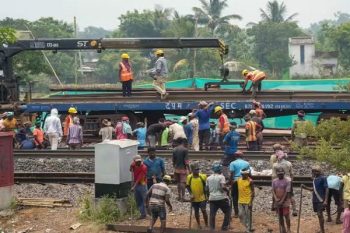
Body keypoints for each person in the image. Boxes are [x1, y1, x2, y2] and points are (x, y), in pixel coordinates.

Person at [301, 165, 329, 233]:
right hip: (315, 199)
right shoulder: (314, 179)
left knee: (320, 214)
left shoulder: (323, 178)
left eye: (317, 171)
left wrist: (326, 200)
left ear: (320, 171)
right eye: (314, 171)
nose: (315, 172)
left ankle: (322, 230)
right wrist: (305, 187)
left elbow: (327, 189)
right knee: (319, 215)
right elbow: (313, 189)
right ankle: (321, 229)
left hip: (321, 199)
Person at [272, 150, 297, 216]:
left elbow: (274, 175)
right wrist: (291, 181)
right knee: (291, 195)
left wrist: (274, 183)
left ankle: (275, 206)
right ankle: (294, 209)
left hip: (278, 181)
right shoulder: (289, 163)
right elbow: (292, 174)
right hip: (288, 180)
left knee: (276, 194)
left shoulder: (275, 165)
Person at [206, 163, 231, 231]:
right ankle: (224, 227)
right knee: (228, 211)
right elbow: (223, 187)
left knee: (212, 214)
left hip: (212, 198)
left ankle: (212, 228)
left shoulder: (208, 178)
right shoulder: (221, 177)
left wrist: (208, 197)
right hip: (221, 198)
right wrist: (228, 190)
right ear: (219, 170)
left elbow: (206, 189)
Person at [186, 163, 208, 229]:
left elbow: (206, 186)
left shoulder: (203, 176)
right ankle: (199, 224)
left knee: (203, 210)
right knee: (196, 211)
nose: (197, 171)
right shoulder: (189, 177)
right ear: (192, 170)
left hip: (202, 197)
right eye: (196, 170)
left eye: (198, 169)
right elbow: (187, 186)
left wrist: (207, 195)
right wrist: (191, 194)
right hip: (194, 198)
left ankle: (206, 224)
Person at [229, 151, 250, 218]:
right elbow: (248, 173)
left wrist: (230, 182)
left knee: (235, 197)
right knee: (244, 196)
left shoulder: (232, 163)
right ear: (242, 156)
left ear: (235, 156)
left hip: (235, 181)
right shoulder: (246, 163)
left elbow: (232, 173)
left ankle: (236, 213)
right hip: (244, 180)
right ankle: (244, 212)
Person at [272, 167, 292, 233]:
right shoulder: (274, 181)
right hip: (277, 201)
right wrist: (276, 199)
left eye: (281, 173)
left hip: (285, 201)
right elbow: (273, 191)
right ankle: (283, 228)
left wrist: (282, 201)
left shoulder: (287, 181)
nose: (280, 175)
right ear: (277, 174)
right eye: (279, 173)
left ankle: (288, 228)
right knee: (280, 216)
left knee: (286, 216)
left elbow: (287, 192)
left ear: (284, 173)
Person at [130, 155, 148, 220]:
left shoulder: (144, 167)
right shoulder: (133, 164)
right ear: (134, 161)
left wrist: (133, 187)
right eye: (137, 162)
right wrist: (131, 167)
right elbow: (130, 170)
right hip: (136, 184)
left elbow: (139, 178)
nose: (138, 163)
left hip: (142, 184)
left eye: (139, 161)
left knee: (144, 199)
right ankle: (142, 214)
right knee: (138, 200)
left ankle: (147, 214)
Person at [238, 168, 255, 233]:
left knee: (248, 216)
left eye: (246, 174)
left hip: (248, 200)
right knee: (240, 215)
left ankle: (248, 229)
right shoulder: (239, 180)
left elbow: (253, 192)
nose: (245, 175)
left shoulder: (250, 181)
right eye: (244, 174)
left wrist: (251, 202)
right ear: (241, 174)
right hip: (240, 200)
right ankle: (248, 226)